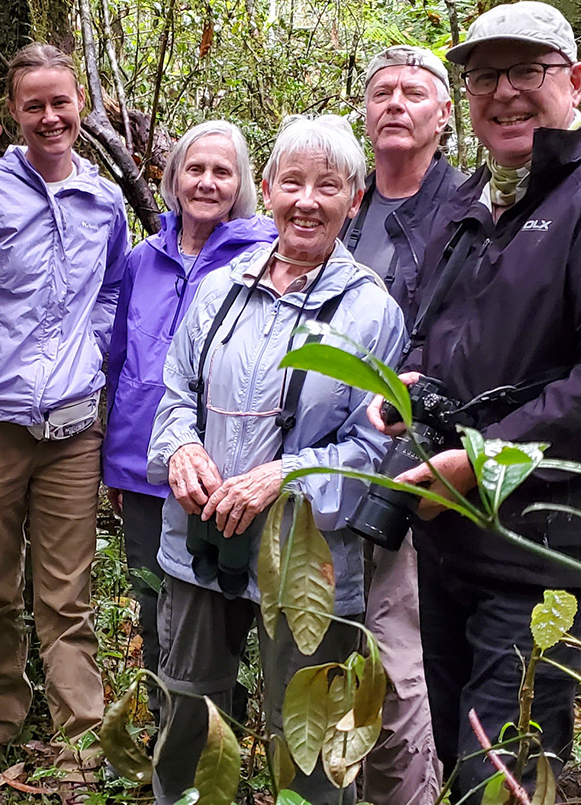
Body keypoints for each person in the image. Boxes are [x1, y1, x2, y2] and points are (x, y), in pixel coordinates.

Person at [374, 1, 581, 797]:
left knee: (501, 773)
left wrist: (482, 460)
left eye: (526, 71)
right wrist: (411, 388)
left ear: (574, 80)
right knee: (454, 758)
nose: (504, 92)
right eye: (484, 75)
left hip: (542, 556)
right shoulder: (479, 198)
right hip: (452, 543)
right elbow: (436, 329)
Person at [146, 115, 406, 805]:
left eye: (329, 186)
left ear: (355, 199)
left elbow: (373, 446)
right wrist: (181, 450)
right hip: (202, 545)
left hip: (307, 563)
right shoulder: (220, 288)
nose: (307, 201)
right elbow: (176, 394)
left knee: (312, 745)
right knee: (191, 722)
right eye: (292, 182)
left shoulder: (370, 311)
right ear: (267, 189)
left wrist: (284, 475)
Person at [0, 42, 128, 791]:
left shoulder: (105, 201)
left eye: (61, 102)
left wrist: (91, 352)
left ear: (82, 107)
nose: (50, 116)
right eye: (33, 104)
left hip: (74, 431)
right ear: (13, 112)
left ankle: (81, 737)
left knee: (66, 593)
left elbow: (110, 293)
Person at [102, 120, 276, 683]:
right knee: (153, 606)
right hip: (140, 462)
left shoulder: (262, 257)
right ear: (174, 178)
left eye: (221, 172)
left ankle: (220, 731)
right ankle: (165, 729)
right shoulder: (141, 259)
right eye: (194, 169)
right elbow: (119, 356)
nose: (206, 183)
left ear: (241, 184)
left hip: (222, 467)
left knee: (219, 609)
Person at [347, 44, 460, 804]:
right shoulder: (347, 201)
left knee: (396, 660)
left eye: (413, 92)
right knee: (339, 646)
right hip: (337, 461)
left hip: (417, 462)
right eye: (382, 91)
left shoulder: (464, 210)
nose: (395, 103)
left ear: (444, 115)